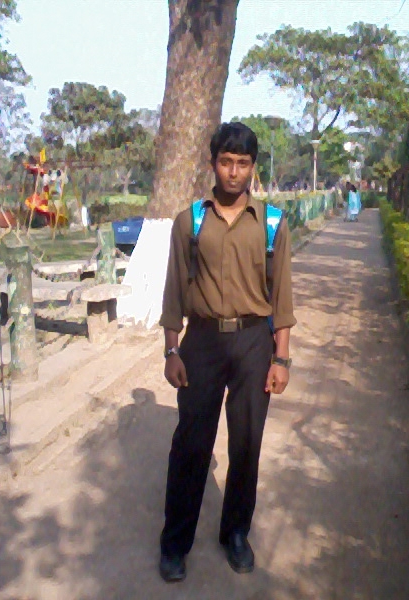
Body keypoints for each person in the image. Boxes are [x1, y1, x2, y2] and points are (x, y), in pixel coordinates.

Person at [157, 122, 297, 582]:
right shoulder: (190, 221)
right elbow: (175, 288)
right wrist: (171, 350)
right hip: (201, 341)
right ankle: (175, 542)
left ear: (253, 168)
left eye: (242, 163)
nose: (233, 172)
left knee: (246, 444)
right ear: (212, 162)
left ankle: (235, 532)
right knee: (191, 445)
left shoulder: (272, 223)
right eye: (225, 161)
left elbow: (281, 298)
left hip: (254, 341)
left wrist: (281, 359)